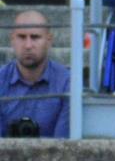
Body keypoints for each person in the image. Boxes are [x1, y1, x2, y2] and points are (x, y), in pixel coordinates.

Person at [0, 10, 70, 138]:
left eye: (35, 37)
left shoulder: (66, 82)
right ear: (12, 40)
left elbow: (63, 146)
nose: (28, 45)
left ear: (49, 40)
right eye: (21, 37)